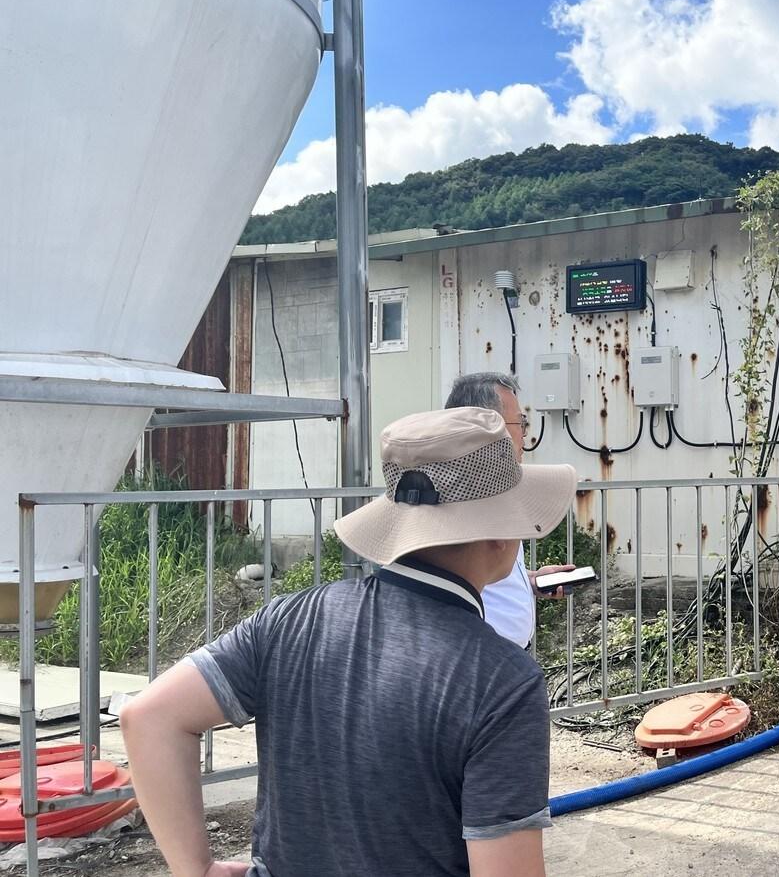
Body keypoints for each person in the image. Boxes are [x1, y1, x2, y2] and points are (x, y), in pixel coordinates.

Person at [120, 407, 577, 877]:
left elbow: (148, 717)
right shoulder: (502, 679)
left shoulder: (290, 618)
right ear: (500, 534)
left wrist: (197, 869)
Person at [445, 372, 574, 648]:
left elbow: (482, 571)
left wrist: (532, 581)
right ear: (489, 426)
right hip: (482, 659)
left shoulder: (495, 484)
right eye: (521, 422)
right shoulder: (456, 495)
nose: (525, 434)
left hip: (503, 656)